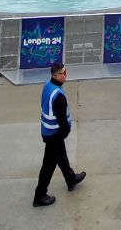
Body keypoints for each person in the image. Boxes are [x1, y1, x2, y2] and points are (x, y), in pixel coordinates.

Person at [33, 62, 86, 206]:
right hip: (54, 134)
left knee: (61, 156)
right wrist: (65, 132)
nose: (66, 75)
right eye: (64, 73)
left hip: (49, 132)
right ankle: (40, 196)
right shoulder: (58, 97)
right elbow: (63, 122)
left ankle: (71, 179)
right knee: (48, 166)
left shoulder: (47, 86)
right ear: (57, 75)